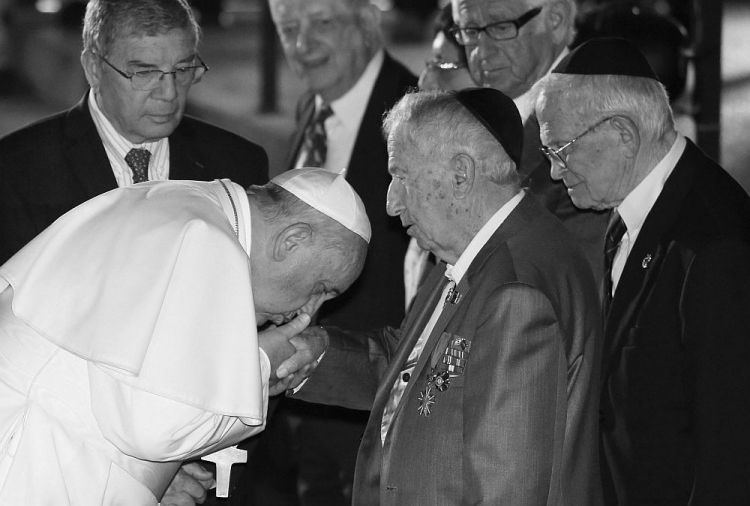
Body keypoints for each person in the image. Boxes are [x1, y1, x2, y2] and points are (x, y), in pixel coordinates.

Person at [291, 88, 604, 505]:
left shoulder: (516, 295)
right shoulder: (477, 250)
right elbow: (412, 363)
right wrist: (308, 355)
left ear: (461, 174)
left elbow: (507, 493)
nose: (390, 203)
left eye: (401, 176)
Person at [0, 168, 371, 506]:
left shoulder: (190, 209)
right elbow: (155, 428)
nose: (309, 311)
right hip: (30, 463)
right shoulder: (206, 238)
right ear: (292, 240)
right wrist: (258, 366)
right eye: (320, 287)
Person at [532, 37, 750, 505]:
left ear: (623, 133)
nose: (553, 172)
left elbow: (732, 454)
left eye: (560, 149)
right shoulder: (637, 209)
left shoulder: (714, 245)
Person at [251, 1, 417, 504]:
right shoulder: (313, 108)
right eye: (288, 29)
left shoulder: (414, 111)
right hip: (288, 410)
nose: (302, 45)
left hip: (359, 412)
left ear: (367, 22)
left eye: (321, 23)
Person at [0, 0, 269, 265]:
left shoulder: (239, 166)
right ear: (94, 69)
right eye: (144, 73)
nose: (169, 93)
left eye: (183, 70)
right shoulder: (16, 170)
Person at [450, 0, 609, 284]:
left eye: (501, 27)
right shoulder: (468, 115)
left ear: (556, 20)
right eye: (471, 31)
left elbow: (578, 282)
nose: (482, 52)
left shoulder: (593, 120)